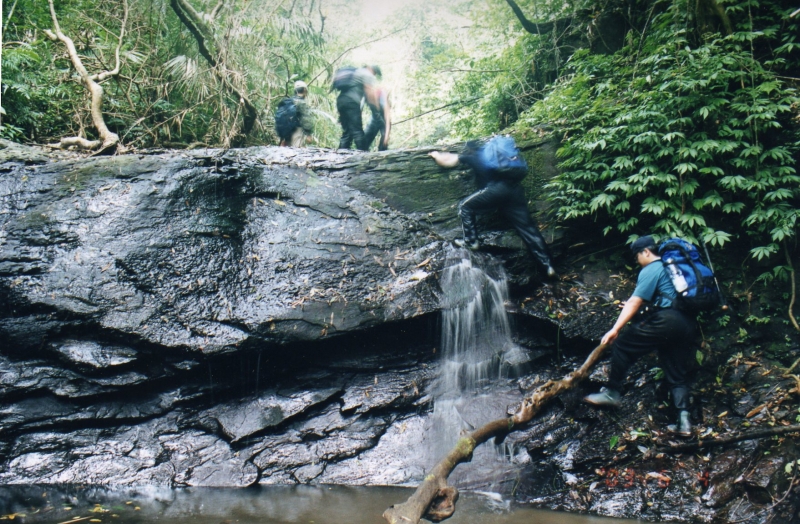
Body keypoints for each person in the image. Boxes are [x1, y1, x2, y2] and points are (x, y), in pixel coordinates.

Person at [583, 235, 697, 437]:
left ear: (646, 252)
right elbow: (666, 298)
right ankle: (684, 422)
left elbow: (635, 301)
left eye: (637, 256)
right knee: (677, 374)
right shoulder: (676, 270)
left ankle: (612, 393)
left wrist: (615, 329)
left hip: (666, 321)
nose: (637, 261)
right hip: (687, 324)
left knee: (622, 345)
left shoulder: (652, 268)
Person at [429, 140, 556, 278]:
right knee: (528, 229)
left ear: (469, 149)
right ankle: (548, 266)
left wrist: (436, 155)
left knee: (465, 207)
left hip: (495, 190)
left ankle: (471, 242)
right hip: (515, 191)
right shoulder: (492, 154)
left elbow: (447, 161)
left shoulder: (472, 156)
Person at [333, 65, 379, 150]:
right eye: (375, 73)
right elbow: (369, 93)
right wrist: (376, 108)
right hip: (351, 102)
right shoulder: (367, 74)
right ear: (372, 70)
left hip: (341, 101)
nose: (374, 75)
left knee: (347, 132)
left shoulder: (356, 72)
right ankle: (364, 156)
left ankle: (341, 155)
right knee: (357, 131)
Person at [277, 81, 314, 148]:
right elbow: (306, 119)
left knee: (286, 153)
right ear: (305, 90)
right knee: (296, 151)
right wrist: (308, 134)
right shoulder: (302, 103)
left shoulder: (288, 102)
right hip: (297, 131)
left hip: (287, 132)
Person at [363, 84, 391, 151]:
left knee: (384, 142)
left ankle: (382, 155)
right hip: (374, 119)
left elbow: (387, 118)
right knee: (364, 141)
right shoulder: (365, 95)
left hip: (384, 119)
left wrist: (386, 135)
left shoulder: (382, 95)